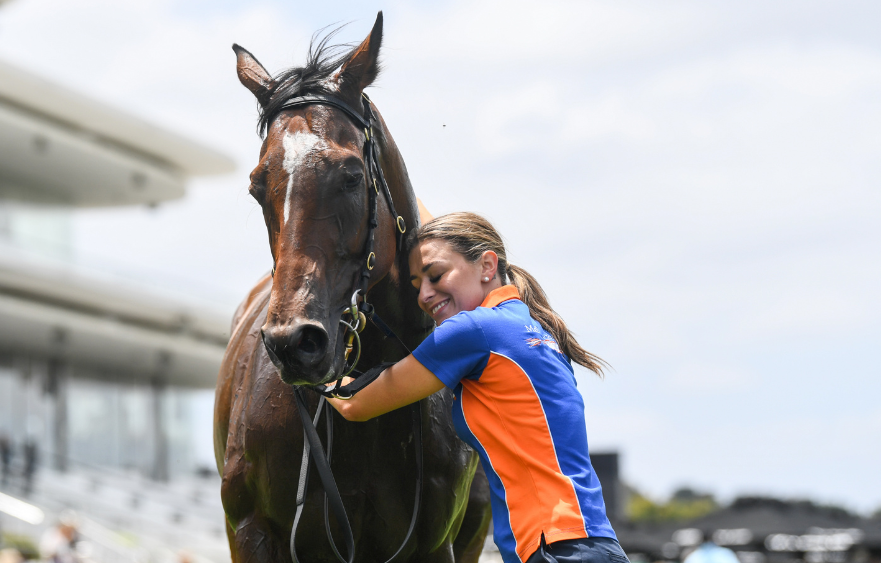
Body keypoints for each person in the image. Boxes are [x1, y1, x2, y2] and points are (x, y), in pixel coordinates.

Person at [329, 212, 625, 563]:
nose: (424, 295)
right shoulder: (533, 330)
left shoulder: (474, 329)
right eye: (416, 284)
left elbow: (355, 403)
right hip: (591, 543)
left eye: (436, 276)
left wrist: (309, 367)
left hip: (554, 548)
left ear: (487, 265)